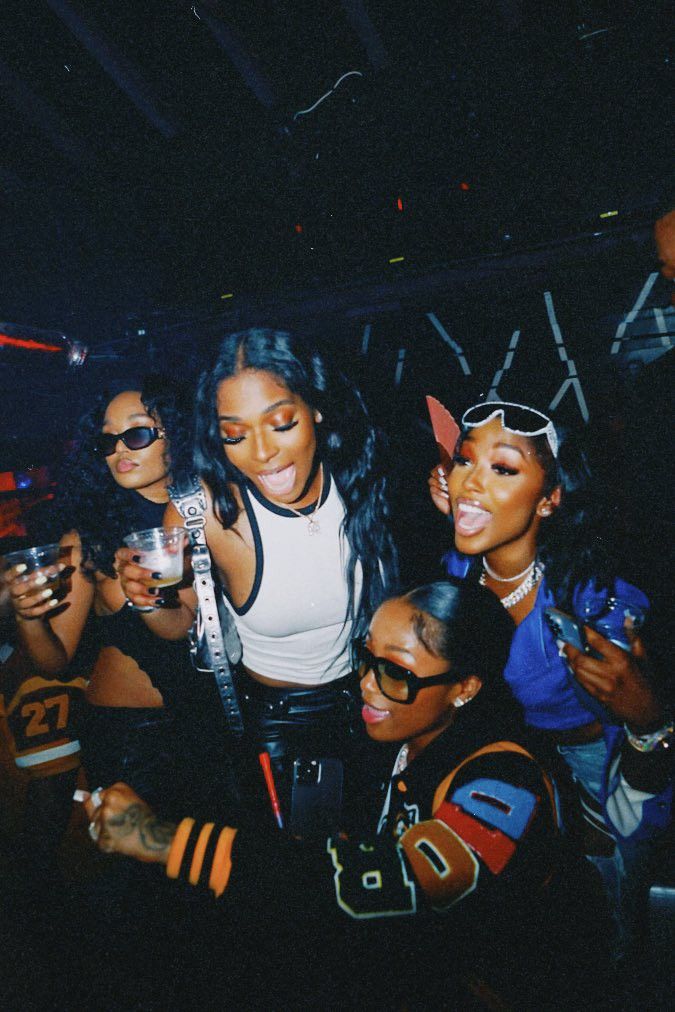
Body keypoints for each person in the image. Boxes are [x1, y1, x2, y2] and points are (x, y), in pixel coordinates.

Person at [82, 579, 616, 1007]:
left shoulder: (505, 780)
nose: (366, 684)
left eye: (396, 672)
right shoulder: (393, 736)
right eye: (367, 657)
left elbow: (387, 884)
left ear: (465, 687)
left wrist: (161, 840)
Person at [117, 328, 399, 821]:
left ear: (316, 409)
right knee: (308, 871)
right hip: (284, 726)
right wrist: (148, 599)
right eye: (235, 434)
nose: (262, 452)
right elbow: (182, 622)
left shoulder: (364, 480)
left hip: (379, 704)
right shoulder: (203, 509)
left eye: (281, 423)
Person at [427, 399, 672, 958]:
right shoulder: (457, 573)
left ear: (550, 499)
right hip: (502, 763)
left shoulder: (592, 606)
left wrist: (648, 719)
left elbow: (644, 739)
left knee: (612, 931)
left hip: (593, 780)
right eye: (465, 462)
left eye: (503, 468)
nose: (469, 483)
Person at [0, 376, 225, 820]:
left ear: (175, 437)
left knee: (211, 867)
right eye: (108, 440)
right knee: (141, 882)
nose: (120, 449)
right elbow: (55, 660)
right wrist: (29, 617)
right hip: (133, 737)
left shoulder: (212, 513)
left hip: (214, 724)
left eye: (137, 433)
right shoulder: (87, 539)